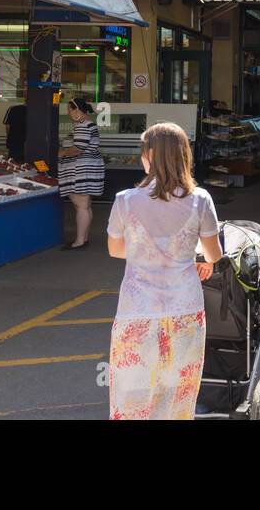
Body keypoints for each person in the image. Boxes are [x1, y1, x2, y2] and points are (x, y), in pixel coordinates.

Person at [106, 122, 222, 420]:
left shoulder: (125, 200)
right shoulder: (200, 200)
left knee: (132, 395)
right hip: (184, 309)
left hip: (136, 311)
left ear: (152, 154)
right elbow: (214, 254)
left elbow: (116, 250)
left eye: (142, 151)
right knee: (177, 397)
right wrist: (195, 254)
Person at [58, 98, 104, 250]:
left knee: (81, 206)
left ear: (76, 110)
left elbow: (78, 147)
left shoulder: (83, 125)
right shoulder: (89, 123)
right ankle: (83, 238)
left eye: (69, 110)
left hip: (80, 170)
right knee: (85, 205)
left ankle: (79, 241)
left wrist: (62, 153)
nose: (68, 114)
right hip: (87, 168)